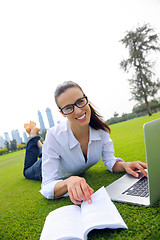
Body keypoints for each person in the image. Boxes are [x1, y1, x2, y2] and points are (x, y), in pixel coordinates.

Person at [23, 81, 147, 205]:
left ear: (86, 99)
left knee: (44, 149)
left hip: (53, 151)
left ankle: (40, 145)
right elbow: (47, 186)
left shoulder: (100, 126)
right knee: (27, 171)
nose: (77, 111)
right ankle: (33, 135)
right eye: (68, 108)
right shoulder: (54, 135)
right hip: (42, 167)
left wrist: (125, 165)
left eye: (80, 101)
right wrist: (67, 182)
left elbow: (110, 161)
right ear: (62, 113)